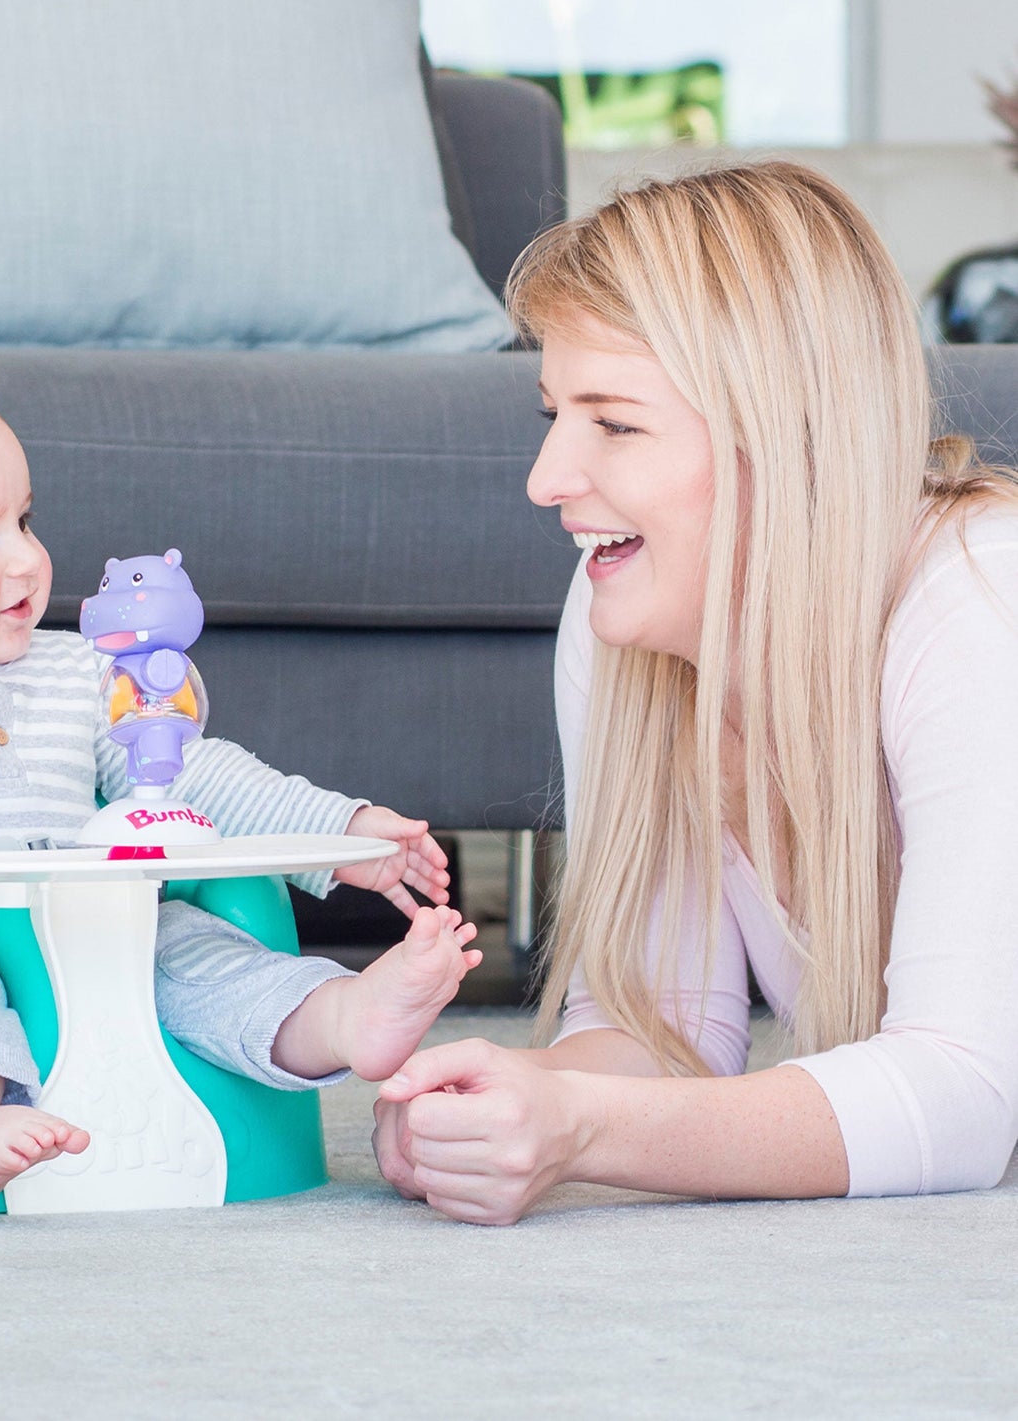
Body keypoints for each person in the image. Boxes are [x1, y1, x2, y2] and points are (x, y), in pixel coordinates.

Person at [373, 160, 1018, 1225]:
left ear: (792, 439)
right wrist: (501, 1106)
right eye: (552, 413)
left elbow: (960, 1098)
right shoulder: (625, 611)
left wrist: (584, 1125)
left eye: (613, 424)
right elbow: (661, 1025)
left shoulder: (979, 596)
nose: (545, 479)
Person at [0, 343, 479, 1205]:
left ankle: (342, 1019)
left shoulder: (77, 669)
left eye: (24, 520)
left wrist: (335, 833)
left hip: (101, 913)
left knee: (206, 956)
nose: (25, 558)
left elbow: (185, 777)